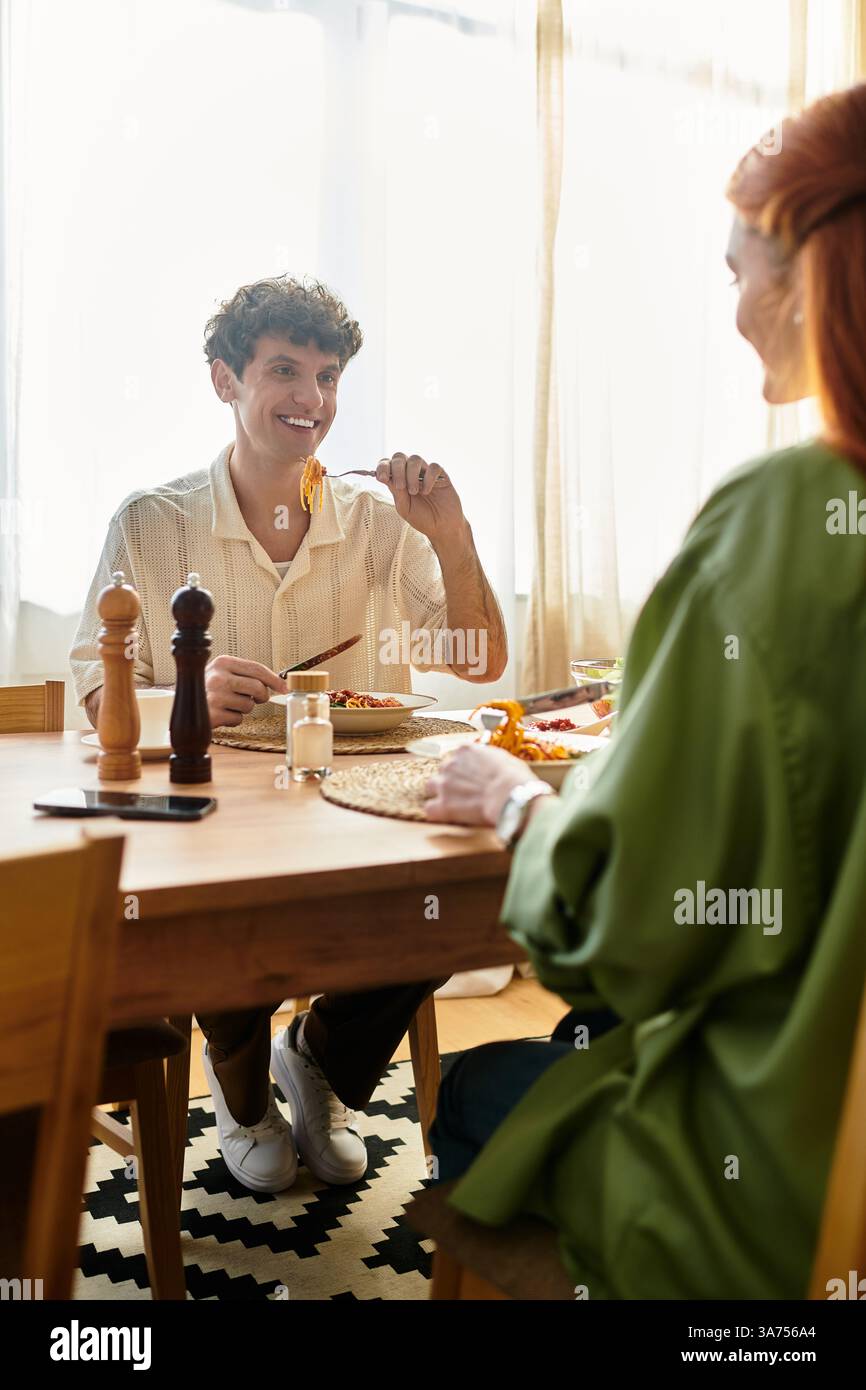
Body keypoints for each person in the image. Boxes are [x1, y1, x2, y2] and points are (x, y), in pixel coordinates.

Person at [423, 82, 866, 1298]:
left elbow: (629, 937)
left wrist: (517, 802)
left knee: (475, 1086)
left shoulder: (784, 525)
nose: (732, 313)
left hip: (777, 1199)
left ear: (819, 268)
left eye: (740, 271)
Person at [70, 275, 506, 1193]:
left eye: (328, 376)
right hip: (214, 832)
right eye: (284, 371)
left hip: (361, 812)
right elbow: (83, 693)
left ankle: (319, 1060)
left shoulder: (382, 526)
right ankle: (239, 1087)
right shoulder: (151, 525)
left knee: (465, 884)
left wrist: (453, 532)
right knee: (212, 907)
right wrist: (179, 692)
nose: (312, 400)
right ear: (225, 380)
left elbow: (477, 660)